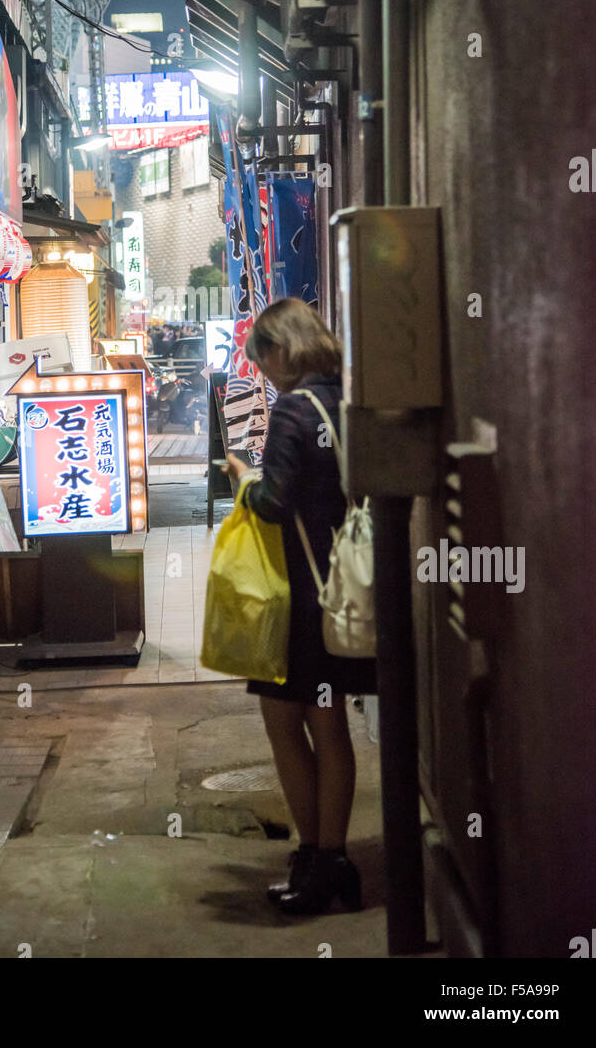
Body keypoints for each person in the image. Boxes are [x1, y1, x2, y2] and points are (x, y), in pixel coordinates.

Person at [225, 298, 376, 916]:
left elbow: (273, 502)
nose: (264, 373)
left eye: (264, 360)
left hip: (300, 599)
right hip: (341, 590)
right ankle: (331, 863)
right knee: (329, 719)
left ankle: (317, 858)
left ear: (282, 350)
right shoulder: (348, 398)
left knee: (287, 725)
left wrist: (241, 477)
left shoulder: (293, 408)